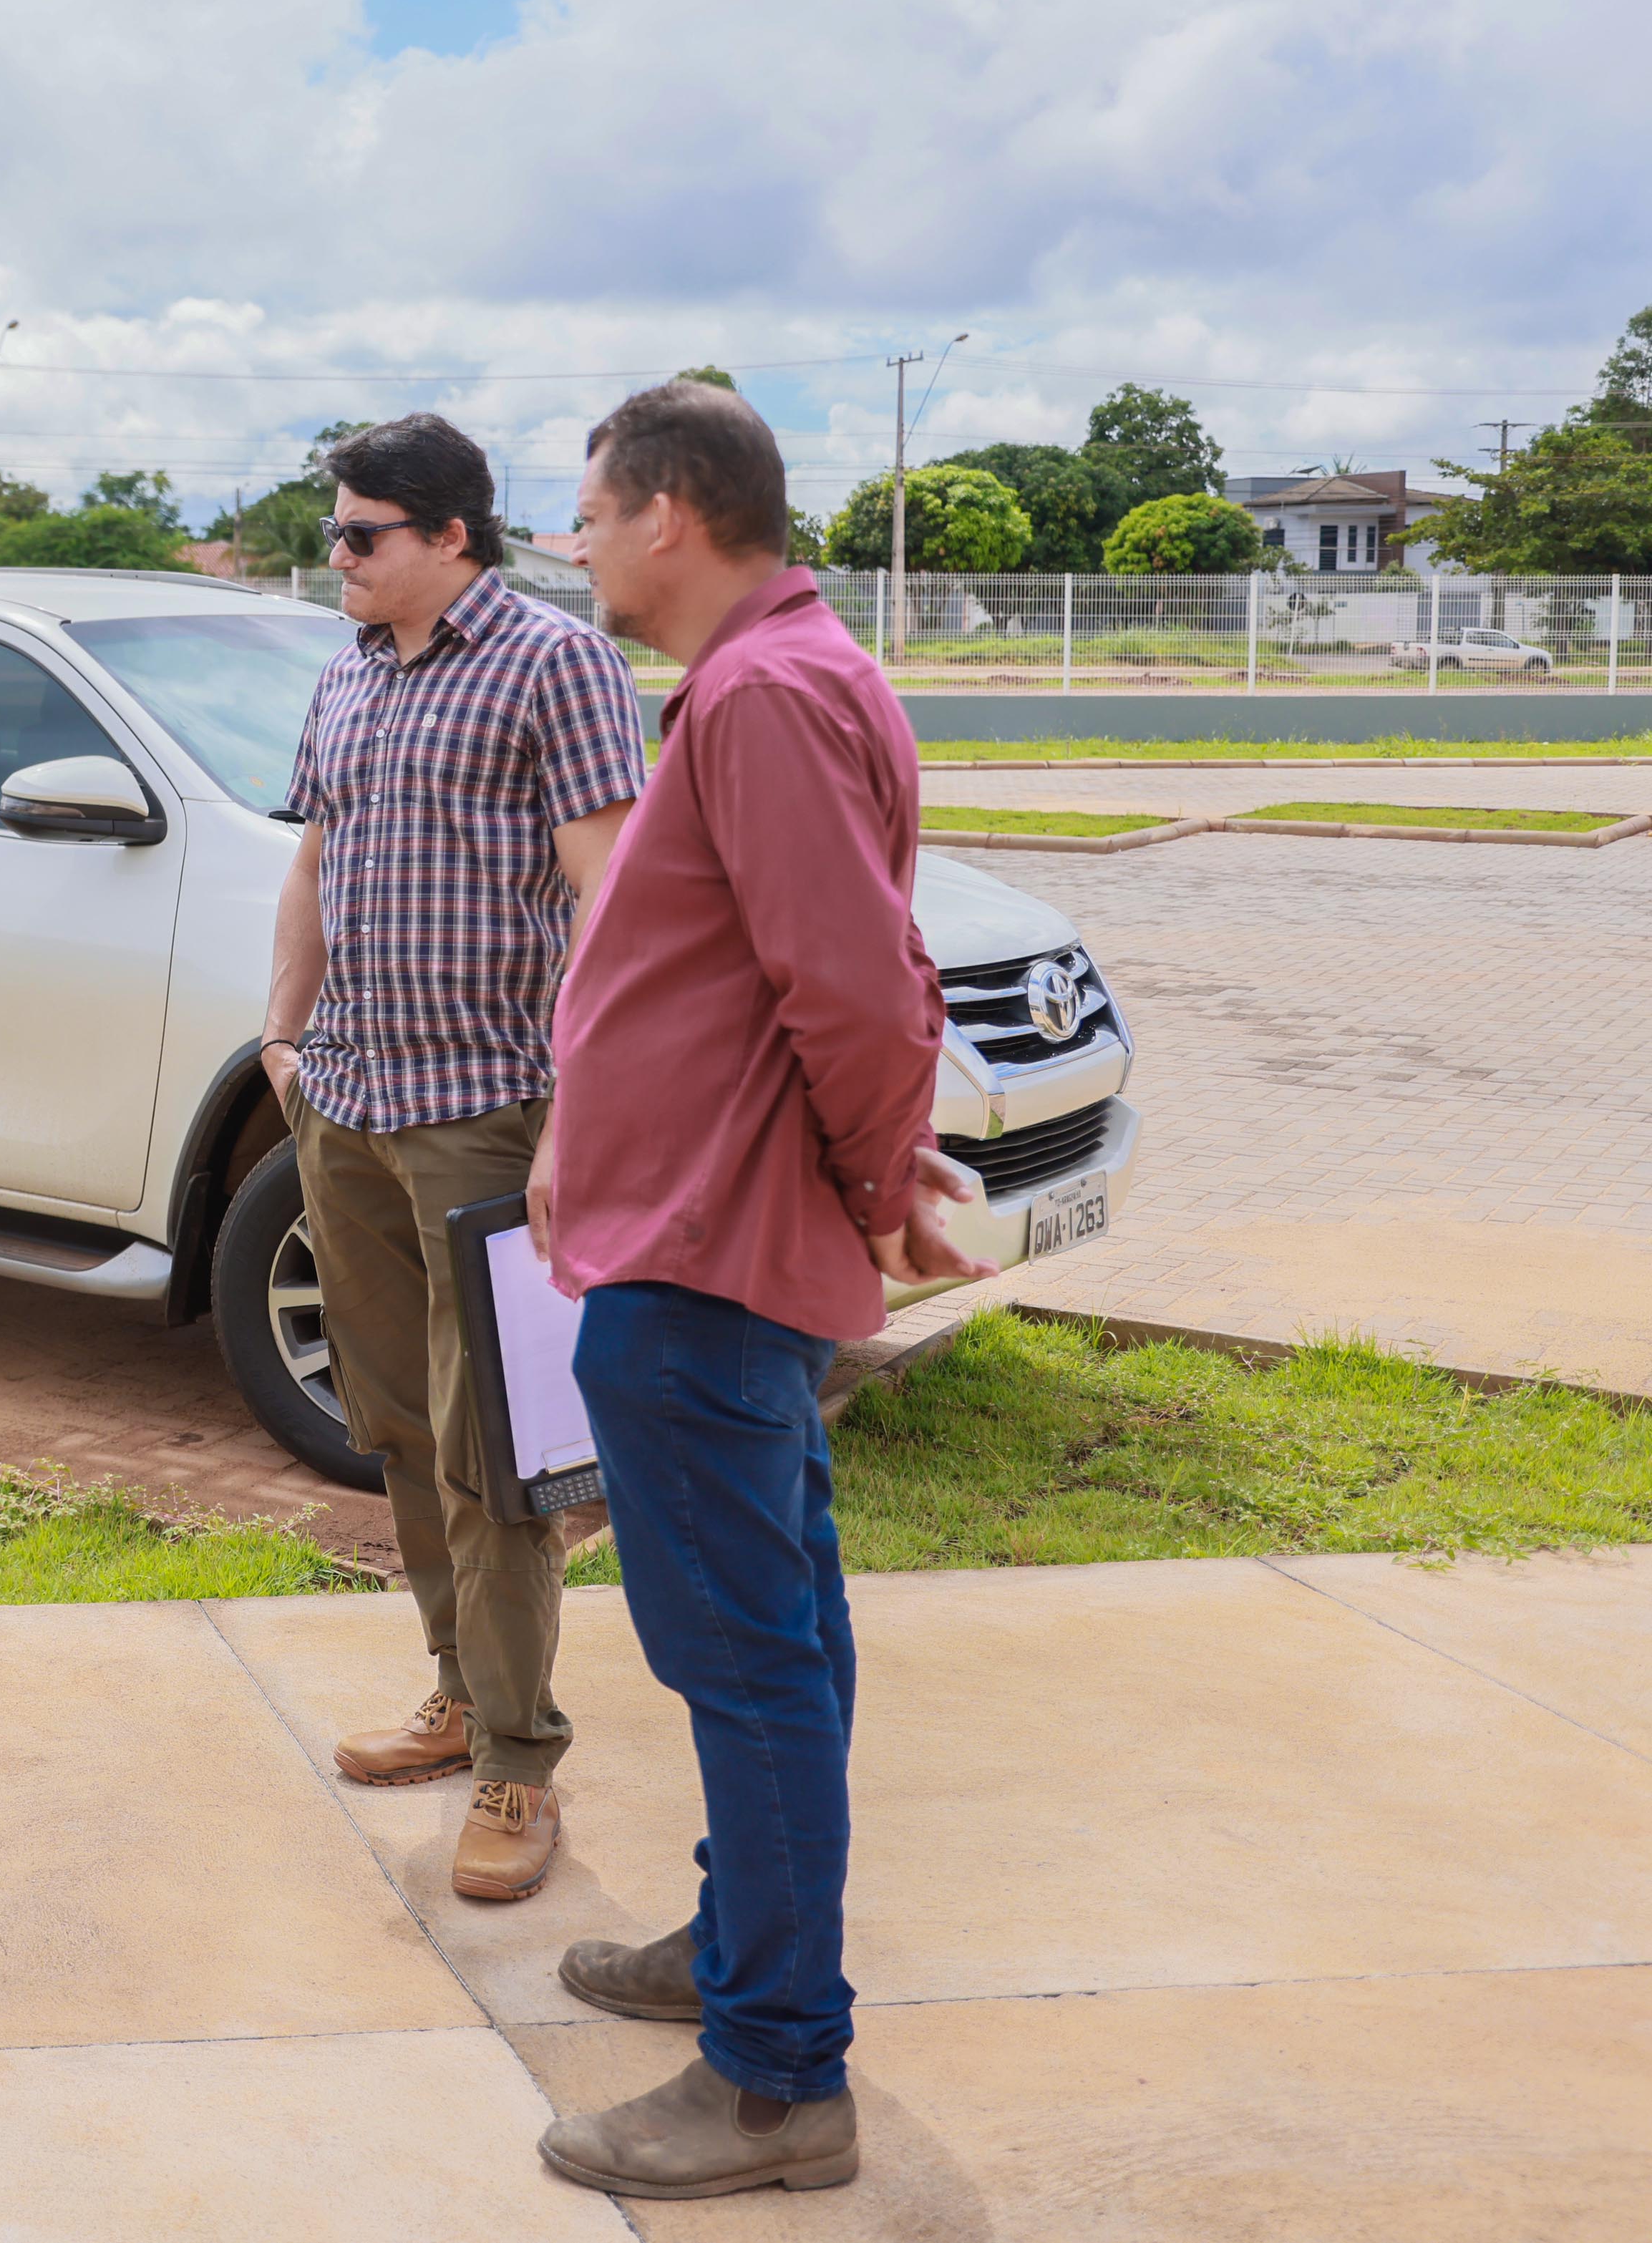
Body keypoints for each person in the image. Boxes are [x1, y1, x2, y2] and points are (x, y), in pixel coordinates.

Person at [528, 379, 991, 2196]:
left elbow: (861, 989)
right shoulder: (773, 677)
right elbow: (810, 963)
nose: (575, 543)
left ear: (668, 511)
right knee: (775, 1639)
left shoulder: (768, 690)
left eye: (586, 509)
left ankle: (778, 2071)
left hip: (705, 1262)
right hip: (708, 1241)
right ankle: (744, 1958)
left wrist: (881, 1185)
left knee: (748, 1663)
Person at [259, 412, 645, 1902]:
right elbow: (313, 856)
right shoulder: (349, 670)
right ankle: (452, 1686)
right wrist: (284, 1040)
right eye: (335, 531)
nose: (337, 556)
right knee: (399, 1423)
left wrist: (581, 1105)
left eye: (361, 534)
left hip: (487, 1109)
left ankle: (517, 1757)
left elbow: (608, 893)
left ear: (450, 539)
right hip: (345, 1100)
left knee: (498, 1452)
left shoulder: (556, 664)